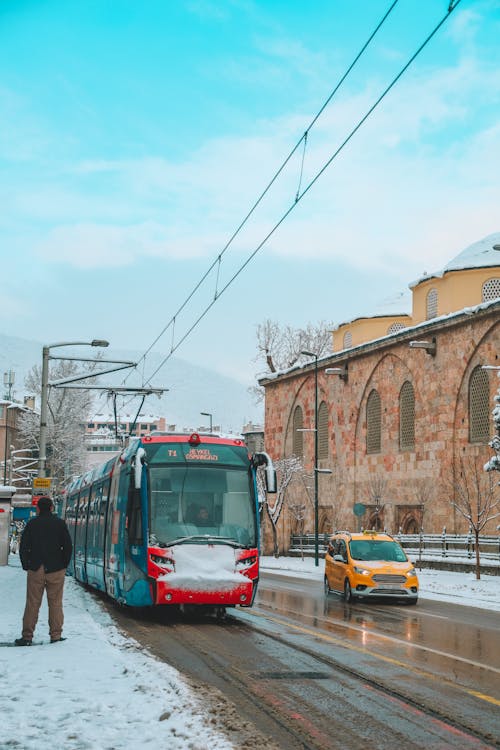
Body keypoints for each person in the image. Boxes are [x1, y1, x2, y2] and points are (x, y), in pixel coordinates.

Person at [15, 496, 73, 646]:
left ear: (38, 509)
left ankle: (27, 636)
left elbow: (24, 546)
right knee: (55, 603)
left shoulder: (32, 524)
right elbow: (67, 546)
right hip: (56, 569)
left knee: (32, 603)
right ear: (52, 508)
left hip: (36, 568)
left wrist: (26, 564)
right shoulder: (60, 524)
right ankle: (56, 635)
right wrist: (63, 564)